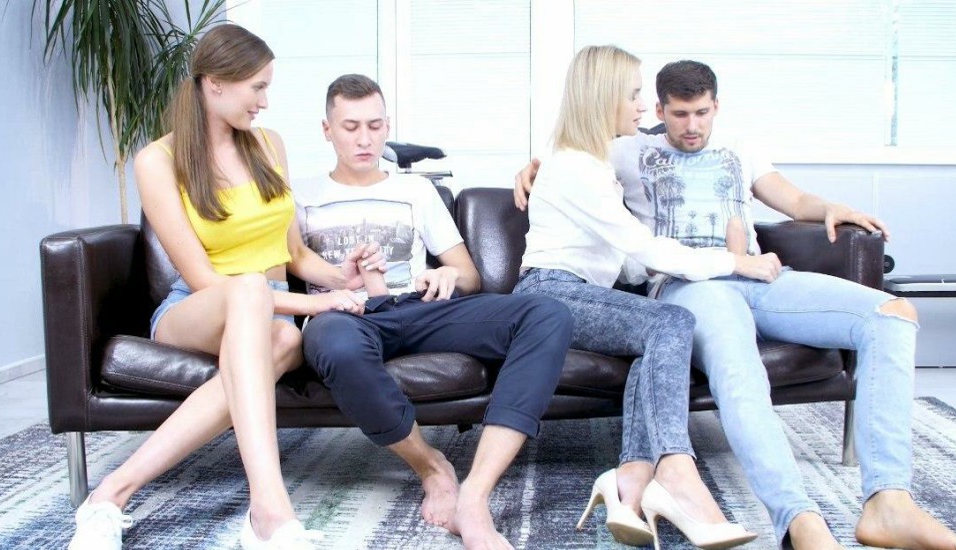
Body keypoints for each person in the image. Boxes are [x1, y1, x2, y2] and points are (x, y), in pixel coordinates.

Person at [515, 59, 956, 550]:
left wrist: (830, 208)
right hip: (691, 286)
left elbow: (793, 201)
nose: (692, 126)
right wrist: (532, 168)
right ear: (662, 112)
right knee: (739, 363)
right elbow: (571, 154)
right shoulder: (626, 149)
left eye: (702, 113)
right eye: (679, 114)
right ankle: (799, 520)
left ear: (717, 106)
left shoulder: (741, 147)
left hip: (761, 275)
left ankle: (889, 502)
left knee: (891, 316)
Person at [67, 24, 387, 550]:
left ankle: (109, 494)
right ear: (215, 83)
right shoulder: (158, 161)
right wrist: (317, 302)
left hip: (269, 314)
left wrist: (340, 277)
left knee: (284, 338)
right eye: (257, 87)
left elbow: (294, 253)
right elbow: (205, 281)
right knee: (249, 292)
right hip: (196, 308)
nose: (265, 101)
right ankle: (270, 510)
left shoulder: (269, 145)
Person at [296, 73, 573, 550]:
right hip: (344, 313)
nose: (364, 139)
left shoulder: (418, 192)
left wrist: (446, 275)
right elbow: (287, 267)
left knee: (548, 314)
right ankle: (431, 466)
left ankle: (476, 494)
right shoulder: (298, 195)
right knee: (334, 346)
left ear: (387, 127)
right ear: (327, 130)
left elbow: (469, 276)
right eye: (350, 127)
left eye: (375, 126)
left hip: (416, 307)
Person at [511, 45, 763, 550]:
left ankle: (629, 479)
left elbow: (627, 260)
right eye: (632, 95)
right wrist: (734, 262)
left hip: (577, 292)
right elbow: (642, 246)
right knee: (671, 321)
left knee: (654, 342)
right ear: (603, 98)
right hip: (550, 293)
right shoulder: (575, 167)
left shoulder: (594, 164)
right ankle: (676, 471)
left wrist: (672, 261)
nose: (643, 106)